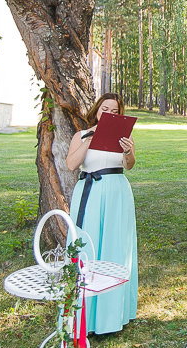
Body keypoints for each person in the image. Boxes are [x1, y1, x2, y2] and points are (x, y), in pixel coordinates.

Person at [66, 92, 138, 335]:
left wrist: (128, 152)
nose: (109, 113)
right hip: (91, 193)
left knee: (115, 247)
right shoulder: (81, 135)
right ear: (97, 111)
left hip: (117, 193)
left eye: (114, 111)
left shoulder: (124, 136)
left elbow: (129, 165)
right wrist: (90, 139)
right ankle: (82, 314)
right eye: (105, 109)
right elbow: (70, 165)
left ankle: (112, 315)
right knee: (89, 246)